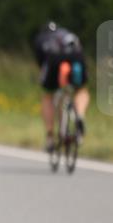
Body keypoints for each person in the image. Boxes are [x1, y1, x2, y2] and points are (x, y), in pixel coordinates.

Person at [32, 21, 89, 151]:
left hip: (54, 59)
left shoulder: (41, 39)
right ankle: (80, 115)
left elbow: (42, 64)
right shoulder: (68, 33)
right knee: (81, 90)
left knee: (48, 95)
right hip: (76, 57)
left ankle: (50, 136)